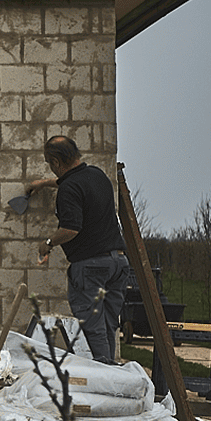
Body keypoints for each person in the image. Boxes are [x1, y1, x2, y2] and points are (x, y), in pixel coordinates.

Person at [26, 136, 130, 363]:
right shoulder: (97, 175)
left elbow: (70, 229)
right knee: (108, 325)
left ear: (56, 162)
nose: (50, 166)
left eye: (49, 162)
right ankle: (110, 371)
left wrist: (48, 244)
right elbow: (75, 182)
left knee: (94, 330)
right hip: (118, 264)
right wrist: (44, 183)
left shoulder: (69, 189)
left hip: (91, 267)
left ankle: (103, 373)